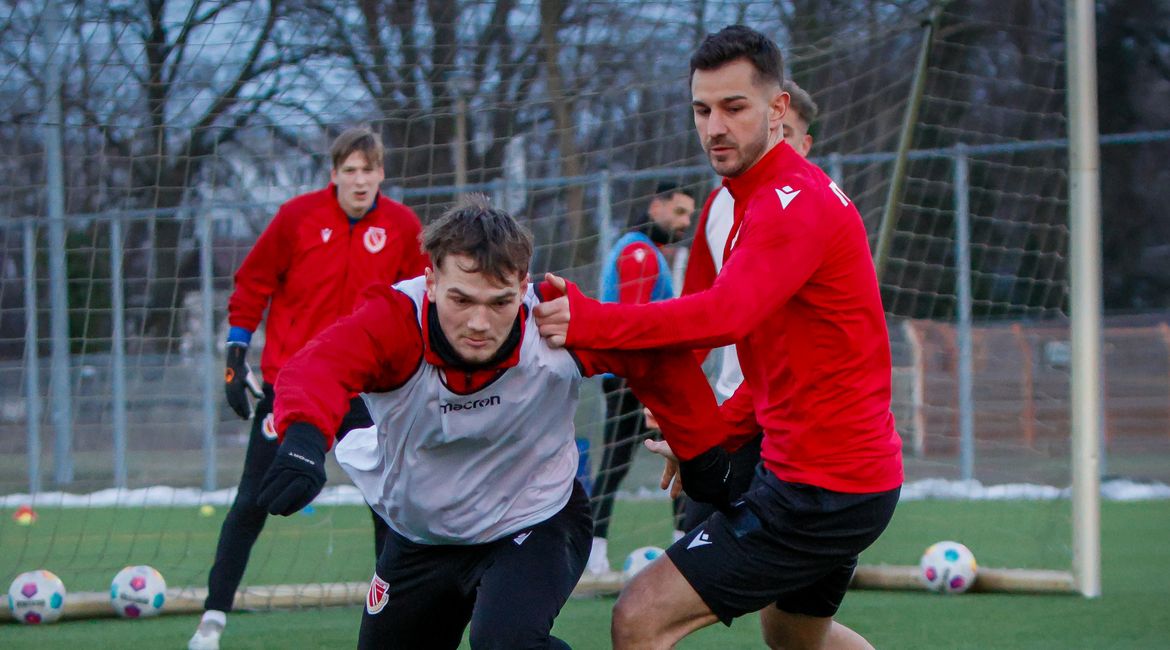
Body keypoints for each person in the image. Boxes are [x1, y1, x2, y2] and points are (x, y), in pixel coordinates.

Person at [534, 25, 902, 649]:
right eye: (702, 110)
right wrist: (708, 433)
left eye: (734, 108)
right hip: (837, 479)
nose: (714, 128)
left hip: (824, 488)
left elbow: (722, 315)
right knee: (796, 638)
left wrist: (589, 320)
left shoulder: (791, 202)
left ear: (778, 110)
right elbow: (772, 368)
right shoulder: (749, 202)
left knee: (640, 614)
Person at [254, 196, 728, 649]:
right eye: (461, 299)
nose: (479, 322)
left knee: (506, 642)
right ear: (432, 281)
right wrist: (303, 440)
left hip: (535, 518)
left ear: (522, 287)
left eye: (499, 302)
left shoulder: (554, 321)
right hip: (422, 535)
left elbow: (654, 360)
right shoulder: (395, 319)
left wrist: (702, 451)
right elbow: (319, 368)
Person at [188, 128, 428, 650]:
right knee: (253, 499)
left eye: (369, 170)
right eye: (350, 170)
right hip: (293, 387)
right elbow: (252, 283)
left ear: (382, 174)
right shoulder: (296, 218)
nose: (360, 180)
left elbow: (418, 303)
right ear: (334, 173)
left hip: (368, 392)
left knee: (390, 503)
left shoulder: (404, 227)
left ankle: (395, 618)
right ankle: (211, 620)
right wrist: (235, 352)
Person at [672, 78, 820, 534]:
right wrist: (673, 387)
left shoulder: (812, 206)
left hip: (793, 420)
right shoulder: (720, 203)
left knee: (787, 596)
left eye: (788, 135)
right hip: (733, 411)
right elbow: (697, 303)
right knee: (689, 549)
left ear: (804, 143)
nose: (777, 143)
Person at [587, 182, 695, 576]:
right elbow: (634, 327)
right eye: (679, 212)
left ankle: (596, 555)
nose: (685, 222)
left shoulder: (644, 250)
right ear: (656, 207)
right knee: (680, 458)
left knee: (630, 464)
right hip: (635, 381)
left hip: (635, 379)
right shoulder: (638, 252)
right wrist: (647, 393)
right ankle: (682, 553)